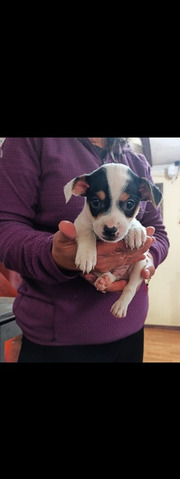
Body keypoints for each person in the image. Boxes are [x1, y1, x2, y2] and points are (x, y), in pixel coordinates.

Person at [0, 137, 169, 362]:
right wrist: (54, 255)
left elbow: (158, 233)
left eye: (128, 205)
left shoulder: (137, 161)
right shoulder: (31, 142)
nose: (111, 225)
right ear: (81, 189)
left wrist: (147, 257)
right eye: (98, 203)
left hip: (130, 328)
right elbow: (5, 227)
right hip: (57, 339)